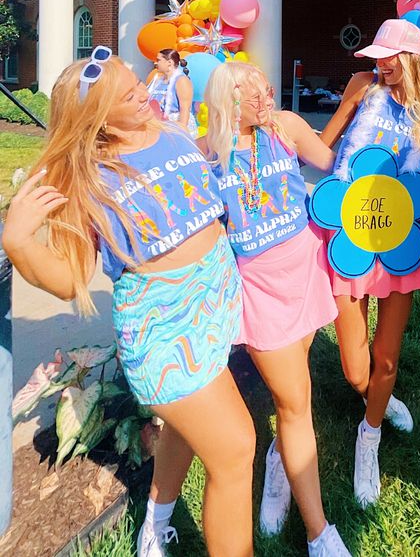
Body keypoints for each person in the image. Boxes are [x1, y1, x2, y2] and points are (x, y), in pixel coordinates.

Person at [1, 47, 255, 557]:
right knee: (235, 449)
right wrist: (20, 242)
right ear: (96, 119)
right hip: (165, 331)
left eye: (136, 83)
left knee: (185, 432)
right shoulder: (91, 176)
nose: (145, 91)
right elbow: (70, 279)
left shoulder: (171, 131)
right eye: (127, 96)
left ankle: (154, 526)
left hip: (214, 308)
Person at [201, 61, 350, 557]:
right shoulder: (210, 153)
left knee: (295, 389)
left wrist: (362, 110)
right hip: (260, 286)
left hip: (305, 267)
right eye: (253, 96)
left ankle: (279, 456)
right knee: (294, 401)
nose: (266, 99)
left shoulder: (284, 126)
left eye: (266, 89)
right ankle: (319, 533)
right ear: (227, 103)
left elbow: (331, 162)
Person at [320, 19, 420, 508]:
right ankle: (379, 399)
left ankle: (368, 438)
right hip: (349, 229)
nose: (381, 64)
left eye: (391, 57)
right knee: (354, 367)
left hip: (399, 239)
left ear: (411, 59)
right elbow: (325, 144)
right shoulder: (362, 85)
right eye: (378, 55)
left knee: (386, 358)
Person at [147, 49, 197, 136]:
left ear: (169, 62)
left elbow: (185, 109)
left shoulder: (181, 80)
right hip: (159, 127)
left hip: (175, 126)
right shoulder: (158, 81)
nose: (155, 63)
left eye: (159, 60)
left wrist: (181, 132)